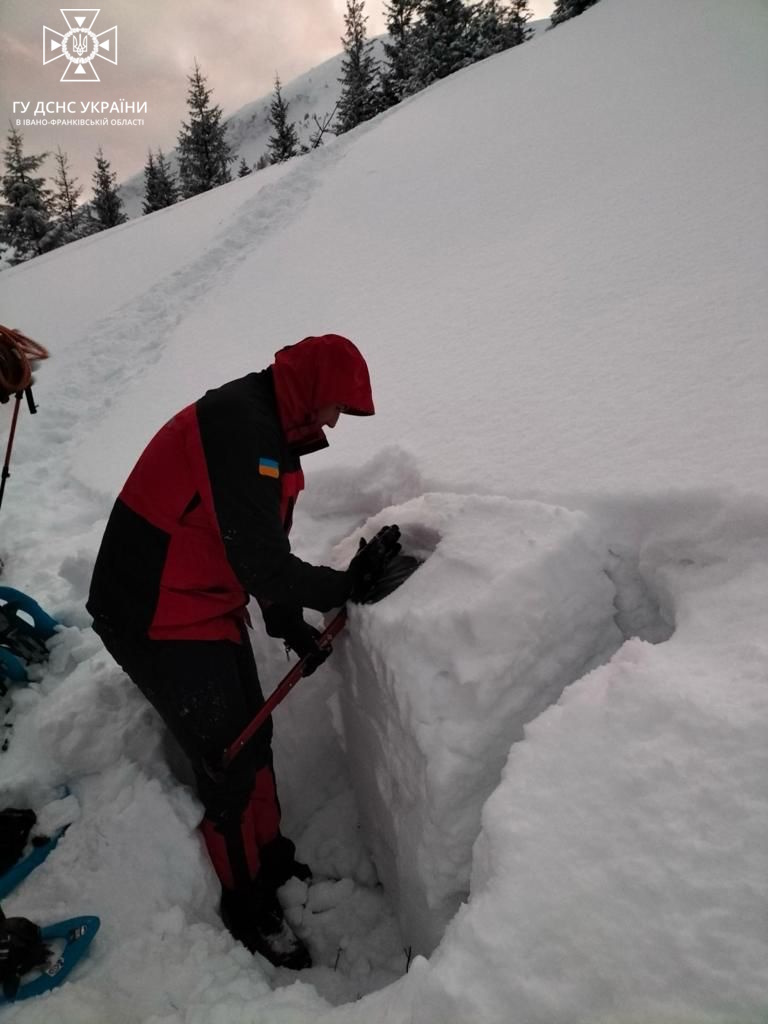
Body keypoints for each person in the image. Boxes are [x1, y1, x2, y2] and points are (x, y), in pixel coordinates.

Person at [87, 334, 385, 969]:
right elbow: (262, 560)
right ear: (310, 388)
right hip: (150, 610)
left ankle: (269, 858)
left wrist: (285, 621)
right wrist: (343, 585)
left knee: (254, 737)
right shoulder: (238, 425)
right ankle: (246, 903)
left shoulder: (274, 431)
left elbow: (249, 544)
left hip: (201, 599)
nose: (334, 421)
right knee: (228, 758)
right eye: (335, 406)